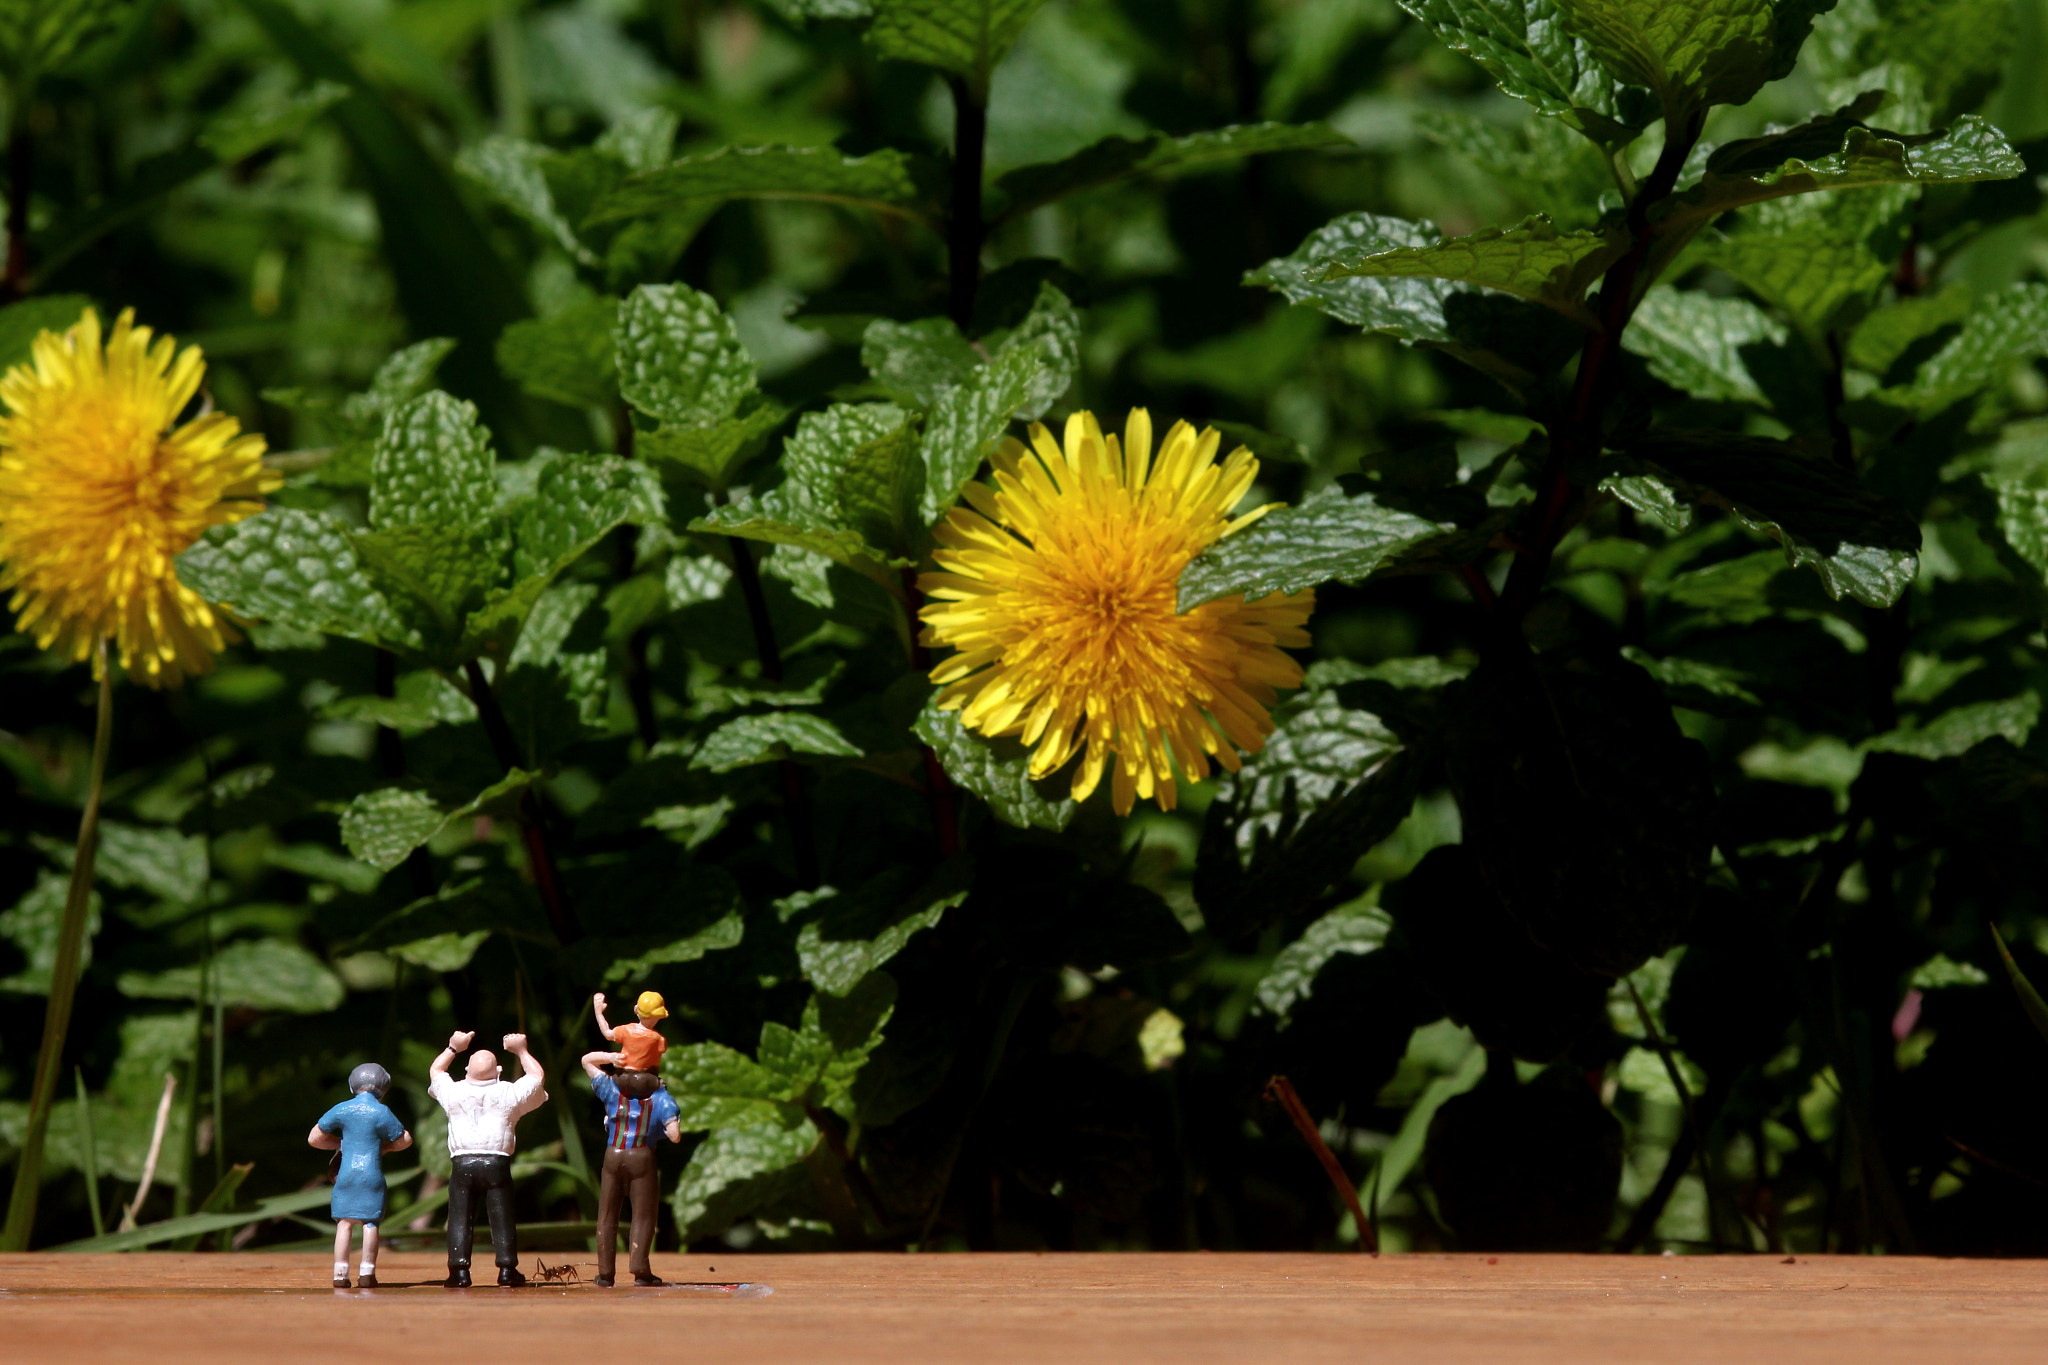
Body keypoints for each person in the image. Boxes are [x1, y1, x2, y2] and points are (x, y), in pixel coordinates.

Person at [427, 1030, 546, 1288]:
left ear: (466, 1069)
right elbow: (536, 1077)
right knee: (502, 1215)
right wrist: (522, 1050)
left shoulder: (453, 1092)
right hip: (496, 1162)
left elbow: (436, 1071)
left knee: (459, 1216)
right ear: (500, 1070)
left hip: (462, 1162)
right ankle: (507, 1269)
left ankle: (458, 1271)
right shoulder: (508, 1093)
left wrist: (453, 1048)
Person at [581, 1049, 681, 1287]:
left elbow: (586, 1060)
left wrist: (611, 1057)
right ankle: (639, 1267)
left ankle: (605, 1273)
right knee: (643, 1215)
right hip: (641, 1156)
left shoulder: (612, 1091)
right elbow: (675, 1135)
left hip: (613, 1154)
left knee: (607, 1214)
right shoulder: (660, 1097)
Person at [308, 1062, 413, 1289]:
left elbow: (314, 1138)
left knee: (344, 1223)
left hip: (346, 1175)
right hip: (371, 1174)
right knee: (370, 1224)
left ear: (352, 1085)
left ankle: (340, 1273)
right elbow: (404, 1139)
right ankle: (367, 1273)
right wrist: (384, 1147)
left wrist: (339, 1142)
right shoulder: (382, 1111)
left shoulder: (342, 1109)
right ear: (383, 1088)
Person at [592, 990, 668, 1076]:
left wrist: (598, 1013)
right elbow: (656, 1062)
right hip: (647, 1079)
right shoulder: (659, 1039)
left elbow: (607, 1033)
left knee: (586, 1060)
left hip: (623, 1076)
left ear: (636, 1009)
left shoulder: (627, 1030)